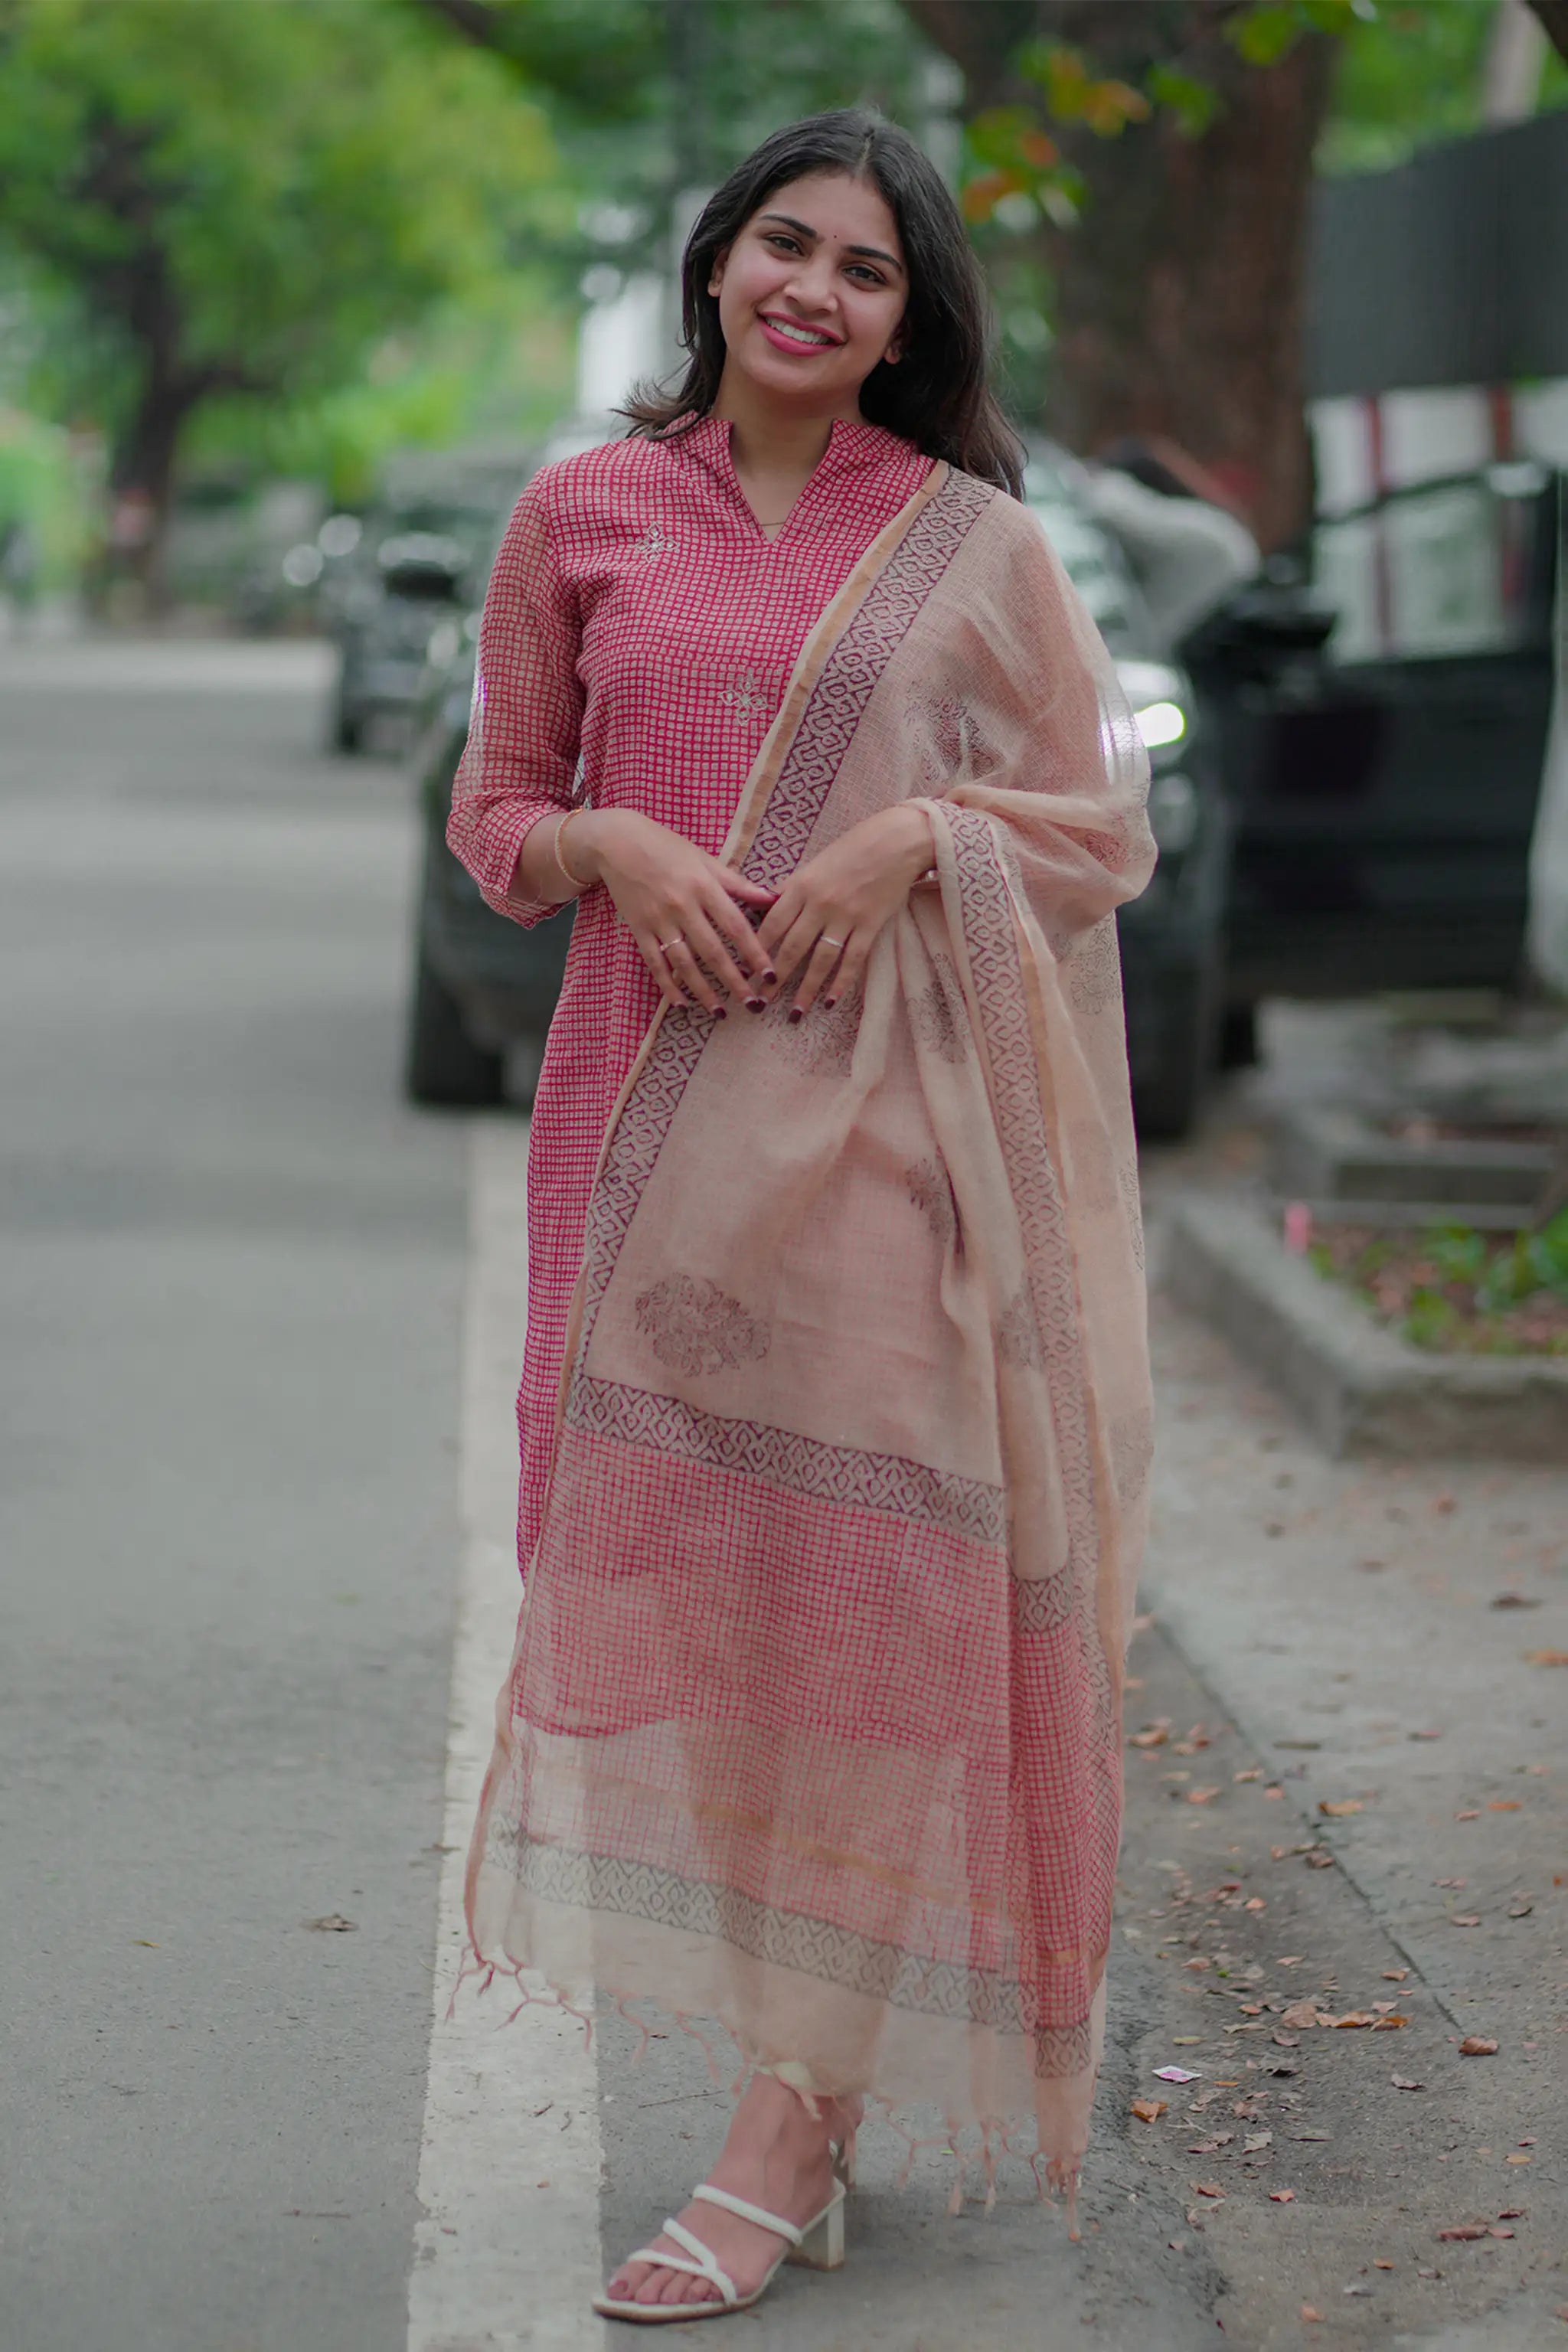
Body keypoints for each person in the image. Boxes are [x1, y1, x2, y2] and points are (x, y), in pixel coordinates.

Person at [447, 109, 1155, 2324]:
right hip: (635, 1133)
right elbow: (495, 808)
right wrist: (610, 855)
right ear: (716, 261)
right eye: (787, 245)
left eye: (867, 272)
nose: (816, 293)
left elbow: (1093, 830)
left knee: (868, 1620)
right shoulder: (583, 513)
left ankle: (782, 2132)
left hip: (893, 1158)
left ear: (905, 326)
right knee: (704, 1607)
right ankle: (811, 2083)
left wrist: (909, 838)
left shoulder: (969, 544)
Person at [1085, 434, 1260, 653]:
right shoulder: (1203, 522)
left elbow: (1113, 510)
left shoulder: (1126, 500)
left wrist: (1094, 481)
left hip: (1204, 619)